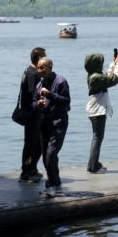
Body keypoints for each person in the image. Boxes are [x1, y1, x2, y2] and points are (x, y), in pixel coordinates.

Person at [33, 56, 70, 197]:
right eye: (38, 67)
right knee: (46, 156)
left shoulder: (61, 81)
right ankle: (54, 183)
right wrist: (38, 104)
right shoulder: (39, 84)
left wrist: (50, 95)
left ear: (50, 67)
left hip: (58, 122)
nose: (40, 70)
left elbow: (66, 101)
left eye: (43, 67)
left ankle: (54, 184)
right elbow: (34, 102)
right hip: (44, 123)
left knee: (51, 154)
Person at [85, 50, 118, 173]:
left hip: (97, 110)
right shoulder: (96, 78)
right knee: (97, 138)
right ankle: (93, 167)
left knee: (97, 137)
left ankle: (93, 163)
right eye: (100, 62)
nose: (102, 64)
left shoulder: (94, 75)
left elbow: (107, 76)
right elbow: (113, 79)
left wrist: (113, 64)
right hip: (98, 111)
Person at [17, 46, 47, 184]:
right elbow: (32, 94)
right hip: (32, 114)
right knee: (30, 144)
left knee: (37, 143)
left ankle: (32, 168)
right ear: (39, 59)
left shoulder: (29, 71)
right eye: (44, 58)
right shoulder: (32, 74)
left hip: (31, 112)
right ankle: (26, 172)